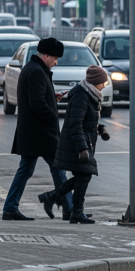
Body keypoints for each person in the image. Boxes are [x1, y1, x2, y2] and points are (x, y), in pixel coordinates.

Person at [2, 38, 74, 220]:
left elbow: (38, 97)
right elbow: (37, 103)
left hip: (32, 132)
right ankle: (70, 209)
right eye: (55, 58)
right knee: (58, 167)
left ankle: (10, 207)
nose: (56, 62)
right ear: (46, 55)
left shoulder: (33, 69)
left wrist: (52, 97)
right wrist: (53, 114)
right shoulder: (36, 72)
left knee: (27, 170)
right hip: (40, 132)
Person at [38, 66, 110, 224]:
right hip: (76, 142)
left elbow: (86, 120)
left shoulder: (90, 94)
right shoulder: (81, 96)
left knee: (82, 176)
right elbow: (75, 124)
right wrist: (82, 148)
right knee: (85, 175)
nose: (104, 85)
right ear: (95, 81)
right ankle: (76, 211)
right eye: (102, 82)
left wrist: (99, 128)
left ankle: (52, 198)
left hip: (83, 140)